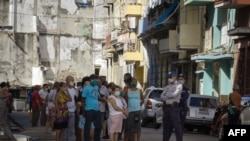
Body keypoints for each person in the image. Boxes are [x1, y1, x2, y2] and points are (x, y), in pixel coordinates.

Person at [160, 71, 183, 141]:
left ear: (175, 77)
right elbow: (161, 96)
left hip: (174, 108)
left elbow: (174, 94)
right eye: (169, 77)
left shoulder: (179, 86)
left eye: (171, 77)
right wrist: (169, 95)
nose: (169, 78)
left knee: (177, 127)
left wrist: (167, 95)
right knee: (166, 127)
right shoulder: (167, 86)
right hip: (167, 108)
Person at [82, 74, 102, 141]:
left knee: (98, 127)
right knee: (87, 127)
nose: (95, 81)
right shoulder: (86, 88)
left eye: (96, 80)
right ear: (90, 80)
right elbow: (83, 99)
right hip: (89, 109)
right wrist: (83, 110)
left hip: (96, 109)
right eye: (94, 79)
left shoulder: (96, 87)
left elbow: (98, 96)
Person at [64, 76, 77, 141]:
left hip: (73, 111)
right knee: (65, 127)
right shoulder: (64, 89)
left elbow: (75, 99)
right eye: (70, 80)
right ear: (67, 81)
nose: (72, 82)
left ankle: (69, 139)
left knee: (71, 127)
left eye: (72, 80)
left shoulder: (74, 90)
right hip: (66, 111)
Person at [121, 73, 132, 140]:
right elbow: (122, 95)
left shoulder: (130, 87)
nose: (124, 79)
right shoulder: (125, 87)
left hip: (130, 108)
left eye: (125, 78)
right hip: (125, 107)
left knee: (128, 126)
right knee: (125, 126)